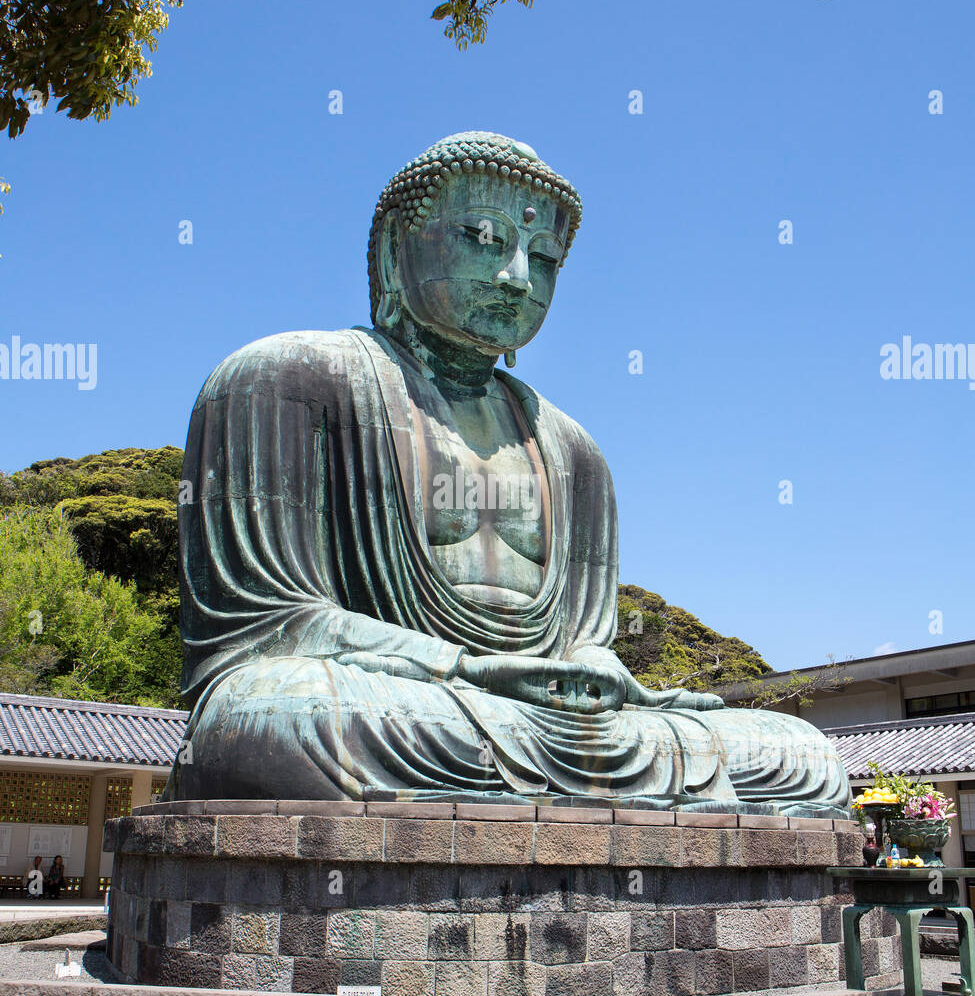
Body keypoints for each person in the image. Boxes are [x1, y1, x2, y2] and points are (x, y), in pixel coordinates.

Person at [164, 131, 850, 815]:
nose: (517, 277)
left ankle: (574, 783)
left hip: (531, 722)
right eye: (483, 238)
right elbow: (267, 628)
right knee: (273, 720)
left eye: (543, 258)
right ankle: (597, 787)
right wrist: (464, 668)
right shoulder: (284, 379)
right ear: (392, 249)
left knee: (800, 753)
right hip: (390, 700)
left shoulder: (574, 450)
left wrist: (596, 670)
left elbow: (582, 638)